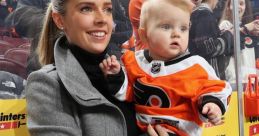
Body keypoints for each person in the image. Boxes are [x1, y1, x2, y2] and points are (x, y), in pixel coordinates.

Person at [99, 0, 232, 135]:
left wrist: (212, 104)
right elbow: (126, 93)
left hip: (180, 131)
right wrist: (115, 75)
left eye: (183, 28)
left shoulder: (194, 65)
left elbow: (217, 88)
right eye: (166, 26)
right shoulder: (134, 61)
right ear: (145, 35)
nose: (176, 34)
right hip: (141, 130)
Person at [24, 0, 144, 135]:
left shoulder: (128, 74)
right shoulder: (46, 84)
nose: (102, 19)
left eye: (107, 9)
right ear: (59, 20)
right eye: (86, 9)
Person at [189, 0, 234, 80]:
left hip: (201, 74)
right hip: (208, 78)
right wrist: (229, 34)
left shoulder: (198, 13)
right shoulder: (204, 14)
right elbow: (208, 48)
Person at [219, 0, 259, 83]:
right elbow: (226, 45)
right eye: (235, 4)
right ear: (228, 7)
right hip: (233, 82)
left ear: (245, 7)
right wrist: (246, 29)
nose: (238, 6)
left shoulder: (249, 28)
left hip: (251, 81)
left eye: (241, 4)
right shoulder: (224, 25)